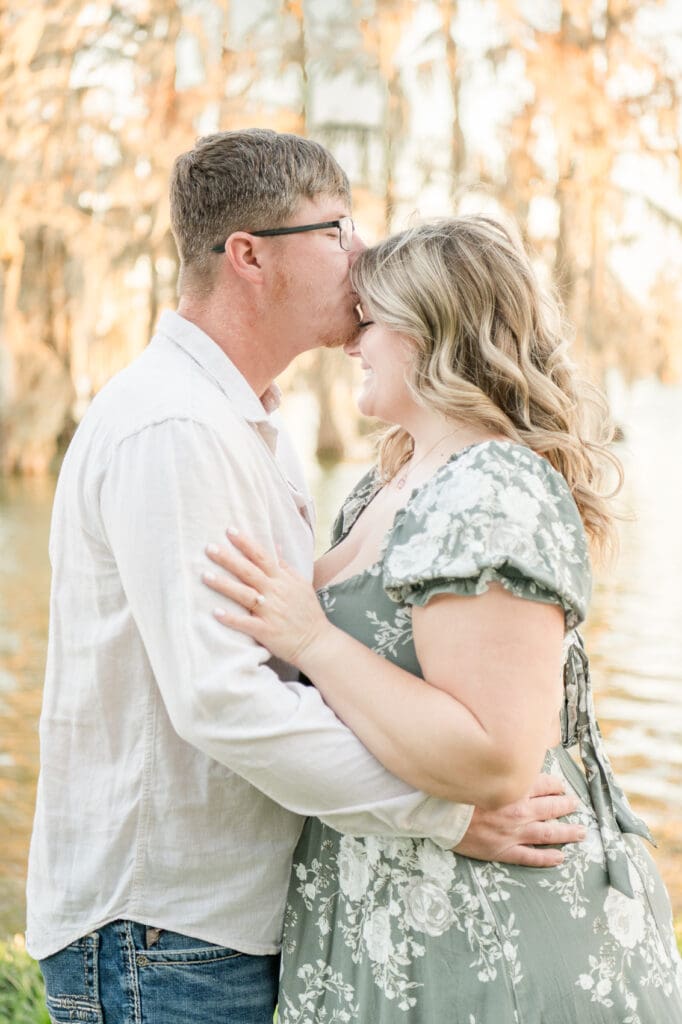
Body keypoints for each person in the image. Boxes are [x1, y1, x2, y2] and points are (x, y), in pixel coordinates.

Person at [26, 132, 584, 1024]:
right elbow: (225, 699)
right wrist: (444, 814)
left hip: (213, 924)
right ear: (249, 257)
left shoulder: (250, 424)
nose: (361, 253)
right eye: (336, 230)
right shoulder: (174, 429)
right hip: (163, 933)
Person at [202, 215, 682, 1021]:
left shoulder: (491, 486)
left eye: (371, 322)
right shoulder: (389, 480)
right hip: (388, 916)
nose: (352, 344)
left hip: (487, 935)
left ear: (431, 332)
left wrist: (311, 639)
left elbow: (493, 758)